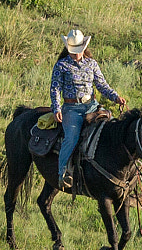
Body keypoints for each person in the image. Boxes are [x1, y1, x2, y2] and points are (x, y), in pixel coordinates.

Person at [51, 29, 124, 191]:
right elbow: (55, 88)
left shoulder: (91, 64)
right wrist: (56, 108)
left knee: (112, 128)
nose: (76, 54)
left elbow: (102, 85)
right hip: (71, 108)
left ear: (83, 48)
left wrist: (116, 97)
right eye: (73, 51)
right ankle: (62, 172)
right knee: (71, 137)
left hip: (91, 106)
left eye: (78, 51)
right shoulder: (61, 66)